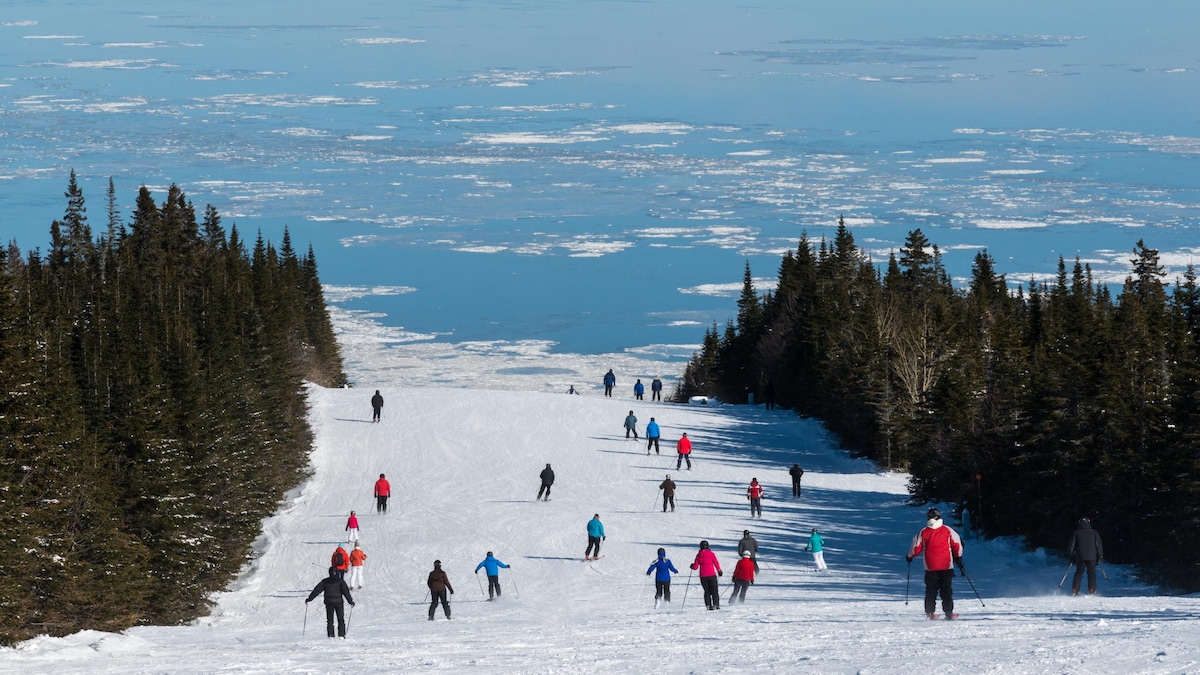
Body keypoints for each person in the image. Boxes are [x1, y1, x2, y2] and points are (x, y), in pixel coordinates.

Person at [906, 507, 964, 620]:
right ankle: (948, 612)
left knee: (931, 589)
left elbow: (915, 548)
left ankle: (930, 613)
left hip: (930, 566)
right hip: (946, 565)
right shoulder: (948, 530)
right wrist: (958, 556)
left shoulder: (924, 532)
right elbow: (957, 545)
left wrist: (910, 556)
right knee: (946, 589)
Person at [306, 566, 355, 638]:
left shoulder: (325, 581)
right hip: (339, 602)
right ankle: (341, 635)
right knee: (340, 618)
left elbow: (317, 590)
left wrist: (309, 599)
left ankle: (331, 635)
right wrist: (350, 602)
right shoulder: (340, 581)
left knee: (330, 619)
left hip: (329, 602)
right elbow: (346, 592)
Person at [1067, 517, 1104, 596]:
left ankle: (1075, 590)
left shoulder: (1076, 533)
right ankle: (1092, 590)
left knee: (1079, 573)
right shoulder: (1094, 533)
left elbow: (1071, 546)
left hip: (1080, 556)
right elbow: (1099, 545)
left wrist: (1071, 557)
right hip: (1092, 557)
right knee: (1091, 573)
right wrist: (1100, 556)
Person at [690, 540, 723, 610]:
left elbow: (695, 567)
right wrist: (719, 570)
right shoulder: (711, 554)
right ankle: (716, 604)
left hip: (703, 576)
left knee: (707, 591)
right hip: (711, 574)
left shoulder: (698, 556)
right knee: (714, 591)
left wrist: (692, 566)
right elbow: (716, 563)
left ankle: (708, 605)